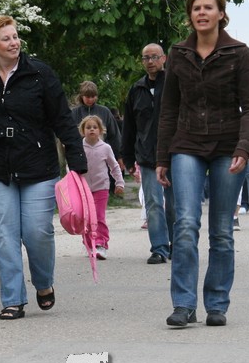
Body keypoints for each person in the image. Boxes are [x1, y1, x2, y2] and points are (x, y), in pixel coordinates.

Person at [0, 15, 86, 321]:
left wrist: (77, 159)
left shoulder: (40, 73)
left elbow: (62, 118)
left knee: (37, 232)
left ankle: (43, 283)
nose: (14, 42)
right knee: (5, 234)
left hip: (37, 164)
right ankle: (13, 300)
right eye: (6, 39)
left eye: (15, 36)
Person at [156, 0, 249, 328]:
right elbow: (169, 109)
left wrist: (243, 147)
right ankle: (183, 304)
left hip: (228, 147)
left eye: (208, 7)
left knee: (221, 230)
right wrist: (162, 157)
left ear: (221, 14)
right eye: (196, 8)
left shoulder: (238, 53)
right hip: (186, 145)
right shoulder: (178, 53)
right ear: (190, 16)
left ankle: (216, 303)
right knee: (186, 224)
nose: (201, 13)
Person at [121, 42, 175, 264]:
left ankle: (176, 244)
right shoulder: (136, 90)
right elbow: (129, 127)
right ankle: (159, 248)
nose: (150, 61)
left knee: (174, 204)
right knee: (153, 203)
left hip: (174, 155)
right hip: (147, 157)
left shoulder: (174, 85)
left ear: (164, 59)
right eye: (146, 58)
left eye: (154, 57)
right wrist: (127, 158)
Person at [79, 115, 125, 260]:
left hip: (101, 187)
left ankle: (101, 244)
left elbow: (114, 166)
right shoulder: (79, 147)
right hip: (84, 189)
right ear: (83, 131)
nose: (91, 130)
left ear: (100, 130)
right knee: (86, 218)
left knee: (99, 216)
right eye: (88, 127)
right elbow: (72, 167)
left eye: (95, 127)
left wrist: (119, 183)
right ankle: (89, 244)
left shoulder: (105, 148)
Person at [71, 81, 122, 162]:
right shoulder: (74, 113)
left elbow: (114, 135)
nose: (90, 99)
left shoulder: (105, 112)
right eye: (87, 96)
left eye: (93, 96)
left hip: (102, 157)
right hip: (80, 157)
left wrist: (119, 156)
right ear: (82, 96)